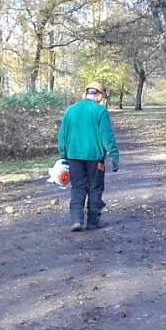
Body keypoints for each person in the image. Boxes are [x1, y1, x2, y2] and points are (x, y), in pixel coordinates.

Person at [57, 81, 120, 232]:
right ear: (99, 96)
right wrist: (114, 155)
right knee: (95, 188)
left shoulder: (71, 110)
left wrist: (62, 155)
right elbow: (107, 136)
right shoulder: (100, 111)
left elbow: (62, 135)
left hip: (73, 156)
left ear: (85, 93)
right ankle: (93, 221)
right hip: (95, 157)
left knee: (78, 187)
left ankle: (76, 220)